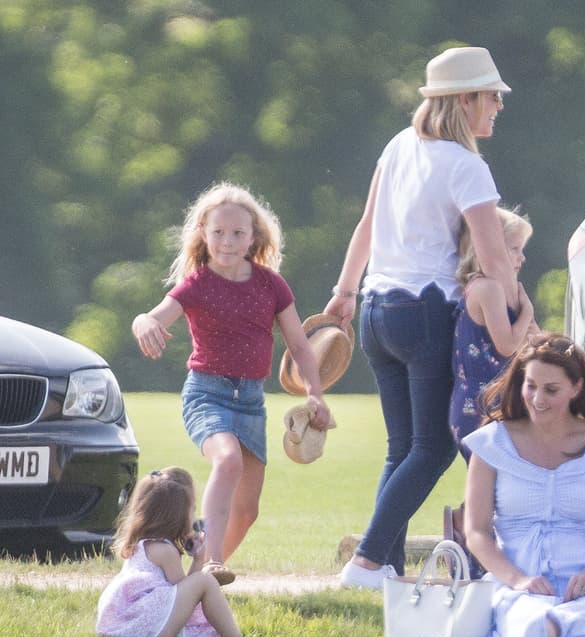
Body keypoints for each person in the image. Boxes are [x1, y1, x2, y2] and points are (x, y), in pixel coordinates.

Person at [323, 46, 527, 588]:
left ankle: (382, 568)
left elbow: (366, 225)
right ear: (465, 100)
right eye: (491, 96)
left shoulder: (398, 146)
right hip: (427, 314)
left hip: (374, 311)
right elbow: (492, 253)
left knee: (403, 447)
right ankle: (366, 561)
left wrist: (345, 290)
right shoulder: (467, 166)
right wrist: (516, 310)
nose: (499, 106)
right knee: (434, 446)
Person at [132, 183, 331, 579]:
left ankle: (198, 571)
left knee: (247, 509)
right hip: (207, 393)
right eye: (219, 232)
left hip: (251, 401)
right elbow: (154, 316)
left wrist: (315, 393)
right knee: (227, 460)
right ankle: (213, 562)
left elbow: (300, 345)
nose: (227, 241)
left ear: (254, 236)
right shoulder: (197, 284)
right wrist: (143, 324)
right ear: (203, 233)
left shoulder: (271, 285)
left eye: (238, 233)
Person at [462, 333, 585, 637]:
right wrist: (516, 579)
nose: (537, 399)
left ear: (576, 388)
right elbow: (476, 532)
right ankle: (548, 634)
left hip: (582, 586)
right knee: (538, 635)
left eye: (551, 390)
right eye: (530, 386)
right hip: (518, 584)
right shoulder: (492, 443)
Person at [96, 468, 245, 637]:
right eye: (192, 510)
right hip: (146, 625)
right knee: (206, 581)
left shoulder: (144, 545)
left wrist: (198, 559)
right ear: (177, 516)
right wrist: (199, 562)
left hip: (132, 624)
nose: (194, 517)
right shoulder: (166, 552)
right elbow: (186, 600)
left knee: (202, 581)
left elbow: (180, 595)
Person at [449, 205, 536, 456]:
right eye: (515, 249)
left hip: (481, 402)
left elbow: (534, 341)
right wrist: (527, 312)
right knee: (494, 486)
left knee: (491, 489)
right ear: (490, 248)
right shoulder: (489, 290)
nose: (522, 257)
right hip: (484, 405)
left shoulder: (482, 287)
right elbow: (507, 345)